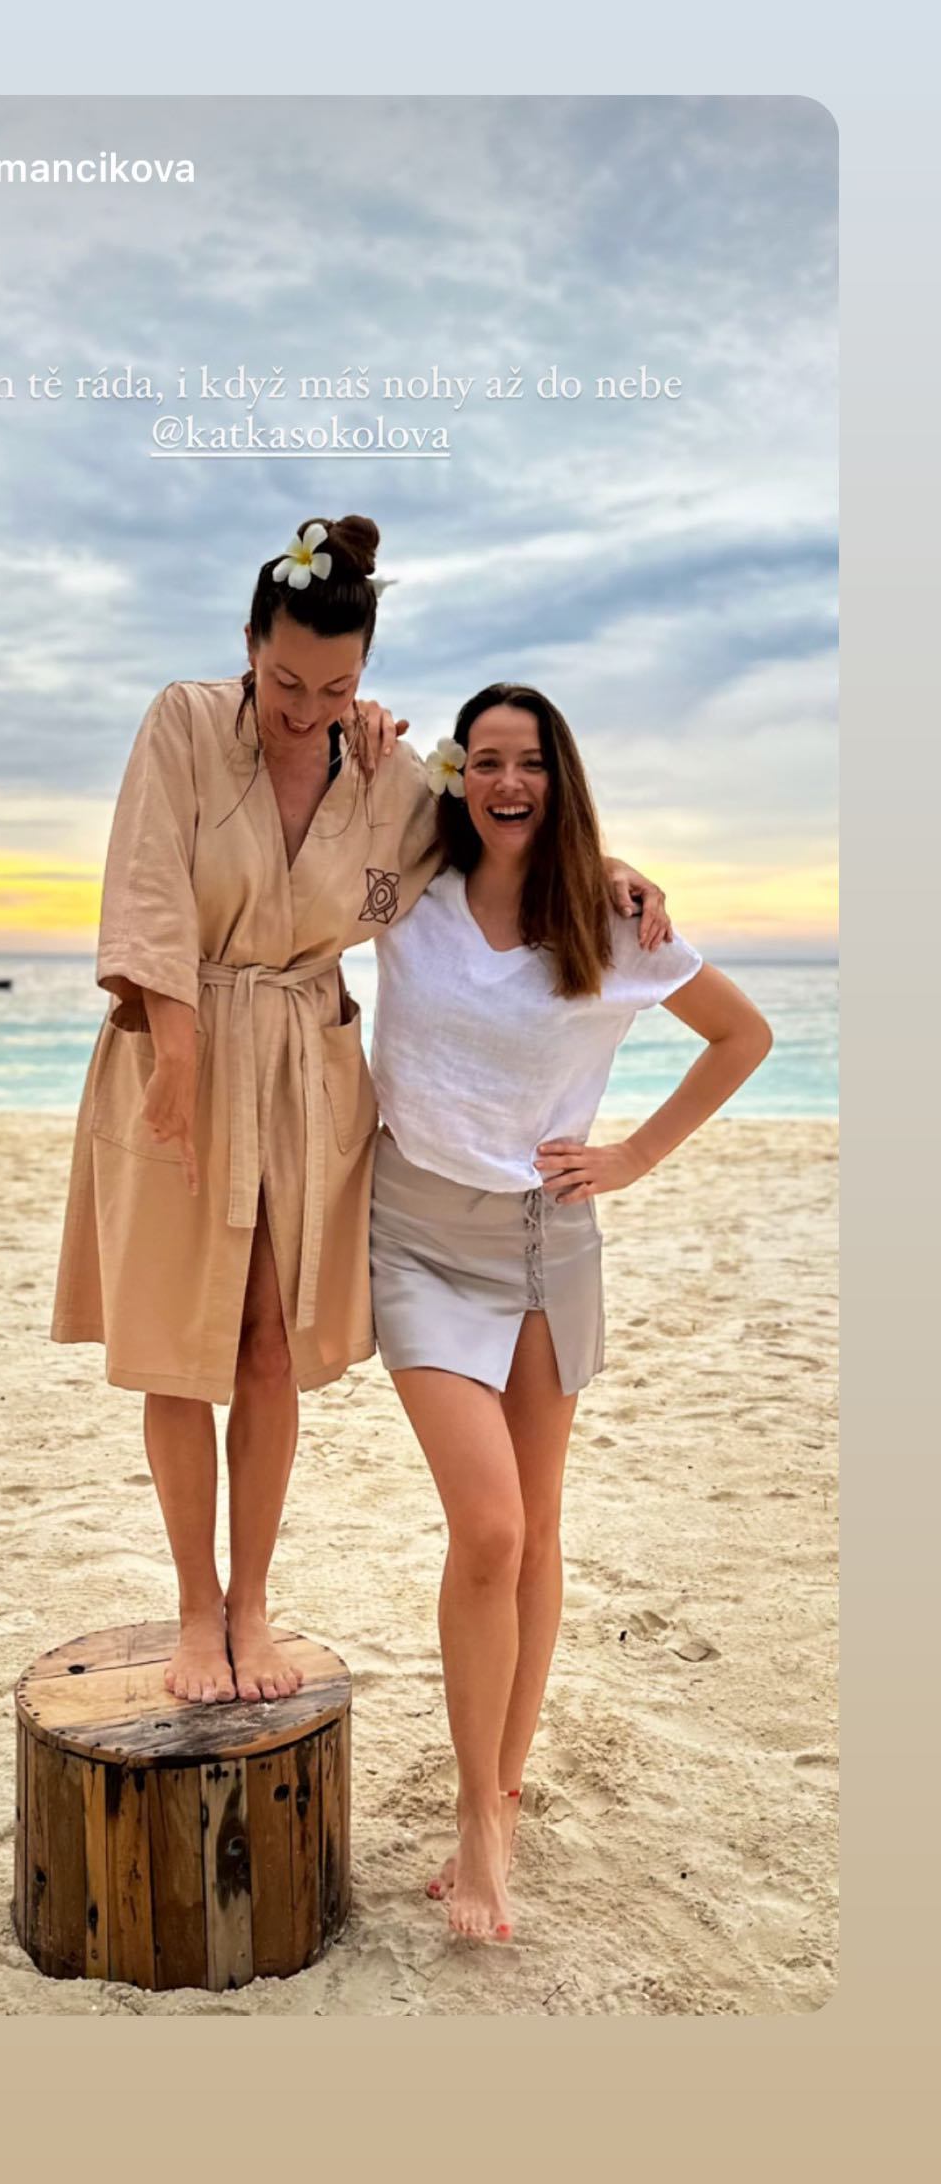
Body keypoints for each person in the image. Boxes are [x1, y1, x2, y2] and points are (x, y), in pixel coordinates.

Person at [50, 524, 670, 1711]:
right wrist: (174, 1043)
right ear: (249, 643)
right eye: (286, 681)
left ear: (367, 672)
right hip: (175, 1050)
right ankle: (195, 1603)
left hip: (310, 1067)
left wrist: (607, 867)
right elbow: (147, 883)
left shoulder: (391, 774)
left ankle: (252, 1602)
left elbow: (500, 829)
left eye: (335, 688)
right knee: (179, 1338)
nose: (306, 709)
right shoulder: (183, 721)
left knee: (268, 1340)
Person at [368, 683, 773, 1943]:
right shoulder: (408, 890)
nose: (508, 781)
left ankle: (494, 1804)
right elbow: (325, 811)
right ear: (457, 775)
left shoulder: (608, 919)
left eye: (531, 761)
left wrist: (634, 1154)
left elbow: (742, 1035)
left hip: (551, 1247)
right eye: (485, 759)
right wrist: (358, 730)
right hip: (414, 1239)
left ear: (561, 776)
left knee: (536, 1531)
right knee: (488, 1526)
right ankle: (476, 1809)